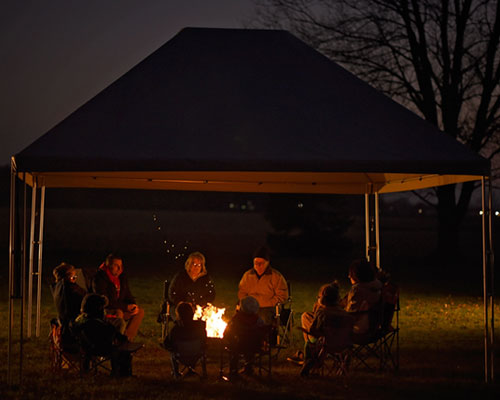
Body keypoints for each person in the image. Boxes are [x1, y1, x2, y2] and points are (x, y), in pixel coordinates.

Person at [73, 293, 141, 377]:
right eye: (102, 308)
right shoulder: (98, 324)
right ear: (97, 309)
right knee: (123, 350)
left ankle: (86, 368)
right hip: (101, 348)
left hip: (86, 348)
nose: (104, 311)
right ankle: (122, 373)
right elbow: (111, 333)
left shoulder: (80, 320)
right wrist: (122, 339)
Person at [299, 282, 353, 377]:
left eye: (318, 297)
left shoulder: (322, 312)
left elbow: (313, 330)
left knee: (309, 343)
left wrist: (306, 332)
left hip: (326, 344)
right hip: (344, 344)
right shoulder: (346, 314)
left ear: (323, 299)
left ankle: (308, 363)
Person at [92, 254, 144, 341]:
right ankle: (116, 341)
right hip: (105, 310)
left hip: (119, 307)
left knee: (139, 312)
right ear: (108, 266)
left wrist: (133, 305)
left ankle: (126, 339)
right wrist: (125, 307)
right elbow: (105, 301)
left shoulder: (121, 277)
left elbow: (127, 294)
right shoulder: (100, 278)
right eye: (116, 266)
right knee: (119, 313)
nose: (119, 269)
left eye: (120, 266)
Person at [237, 245, 288, 325]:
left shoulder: (276, 276)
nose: (258, 266)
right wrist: (247, 303)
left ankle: (262, 337)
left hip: (268, 307)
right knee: (239, 317)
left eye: (261, 263)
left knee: (262, 317)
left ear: (267, 263)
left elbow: (282, 296)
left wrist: (265, 303)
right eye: (256, 263)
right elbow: (242, 292)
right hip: (250, 307)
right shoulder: (248, 275)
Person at [223, 296, 267, 379]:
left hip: (239, 346)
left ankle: (233, 370)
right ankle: (249, 367)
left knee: (233, 345)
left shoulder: (236, 320)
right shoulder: (258, 320)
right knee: (250, 343)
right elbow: (263, 333)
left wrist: (230, 340)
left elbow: (226, 334)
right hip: (256, 347)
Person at [163, 301, 207, 379]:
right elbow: (204, 341)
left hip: (181, 356)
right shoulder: (200, 327)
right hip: (197, 355)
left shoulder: (176, 329)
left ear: (178, 315)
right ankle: (204, 373)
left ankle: (176, 374)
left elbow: (167, 343)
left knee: (172, 351)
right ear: (192, 314)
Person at [51, 262, 87, 349]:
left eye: (75, 277)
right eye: (73, 277)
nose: (75, 279)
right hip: (75, 329)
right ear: (66, 277)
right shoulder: (70, 289)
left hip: (66, 325)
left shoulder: (57, 288)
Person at [342, 258, 382, 335]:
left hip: (358, 328)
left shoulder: (357, 290)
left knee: (324, 318)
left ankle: (317, 344)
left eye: (350, 274)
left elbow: (351, 312)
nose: (349, 276)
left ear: (356, 275)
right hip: (374, 327)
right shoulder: (378, 286)